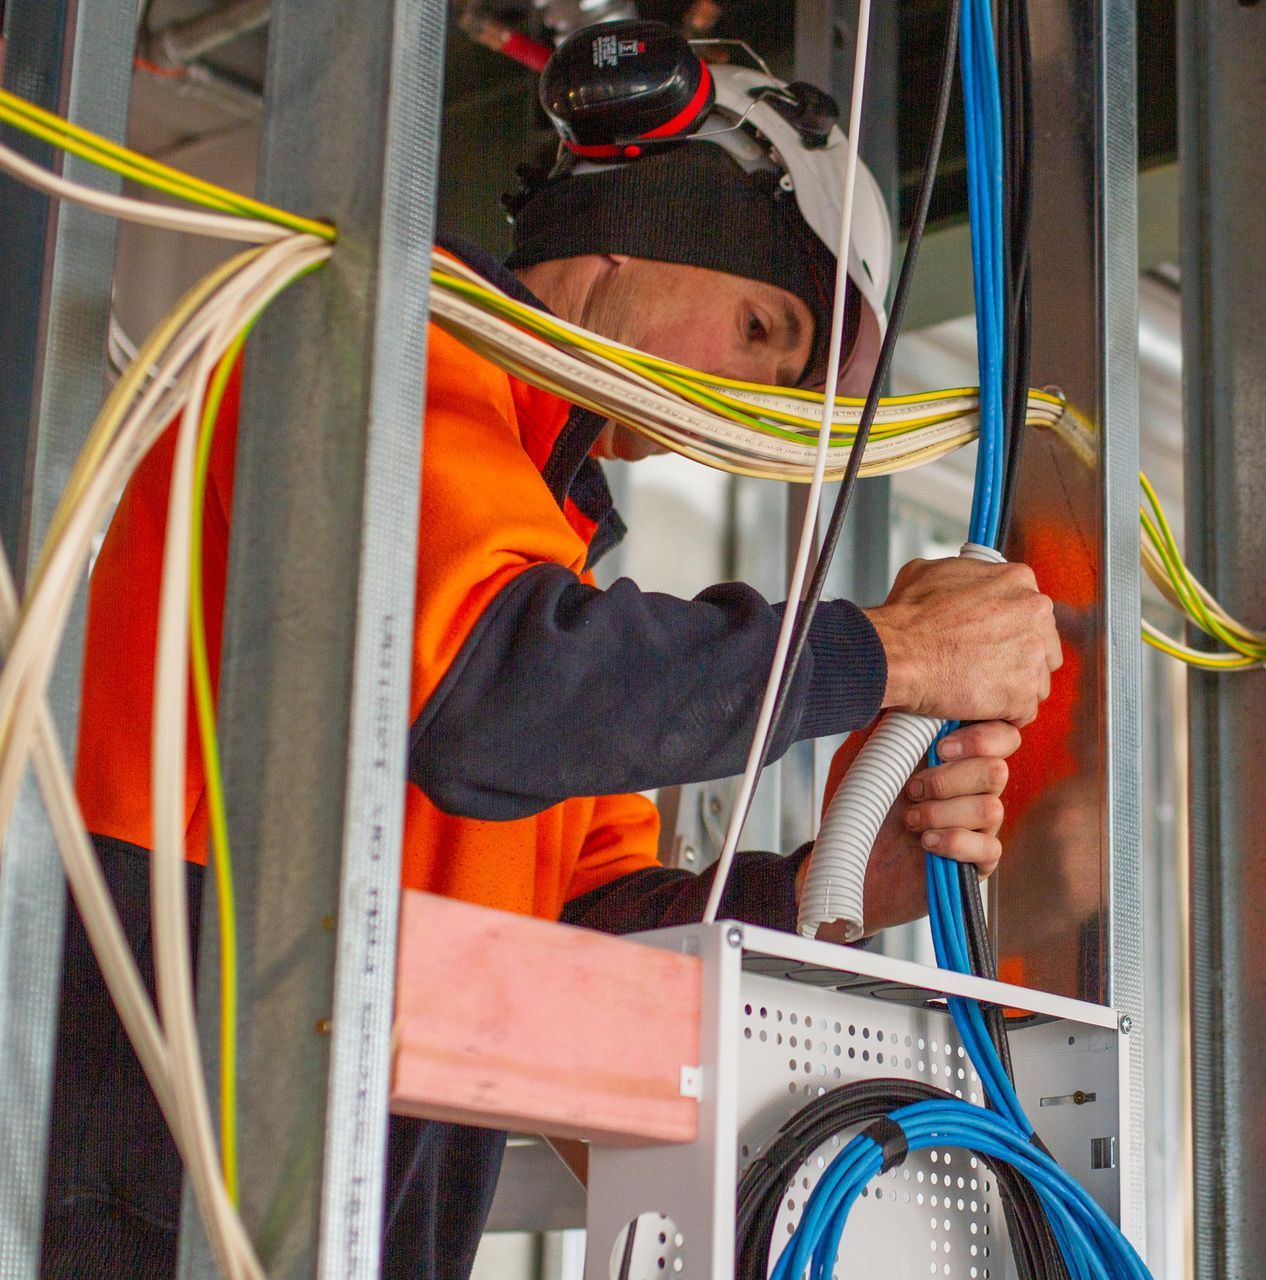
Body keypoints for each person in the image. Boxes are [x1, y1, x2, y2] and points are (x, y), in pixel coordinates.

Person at [41, 27, 1062, 1280]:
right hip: (141, 1156)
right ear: (634, 231)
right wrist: (884, 653)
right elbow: (490, 691)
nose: (751, 398)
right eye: (759, 327)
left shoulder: (544, 549)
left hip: (339, 1202)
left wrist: (833, 878)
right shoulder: (377, 335)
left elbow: (603, 927)